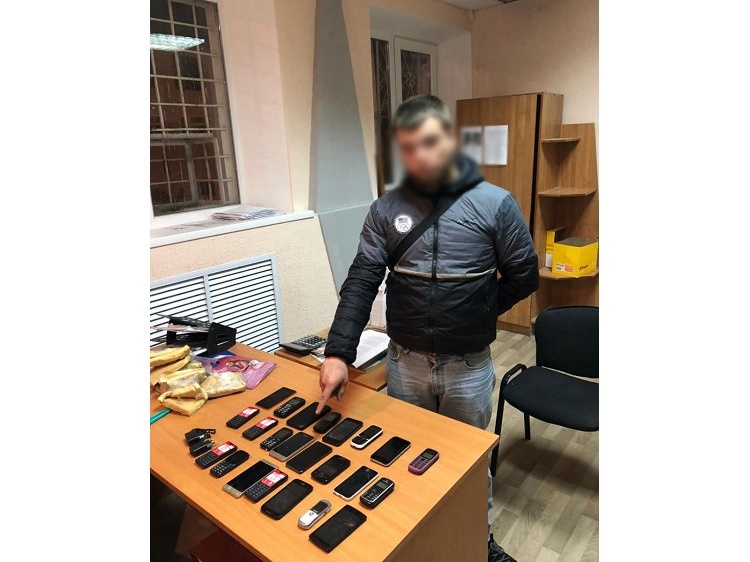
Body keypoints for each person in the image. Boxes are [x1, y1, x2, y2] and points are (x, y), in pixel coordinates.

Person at [315, 94, 539, 562]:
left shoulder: (495, 204)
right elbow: (361, 281)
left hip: (467, 368)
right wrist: (337, 353)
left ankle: (478, 543)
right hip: (405, 365)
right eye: (409, 146)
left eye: (430, 142)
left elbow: (524, 275)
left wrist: (479, 311)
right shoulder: (386, 209)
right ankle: (416, 543)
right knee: (403, 457)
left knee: (468, 465)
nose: (421, 155)